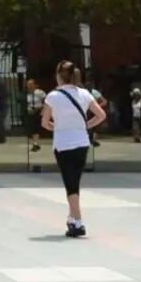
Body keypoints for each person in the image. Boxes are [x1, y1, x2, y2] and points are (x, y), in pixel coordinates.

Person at [41, 60, 106, 238]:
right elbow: (101, 115)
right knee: (74, 181)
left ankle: (78, 220)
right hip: (82, 142)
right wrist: (85, 125)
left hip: (63, 144)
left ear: (59, 76)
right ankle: (72, 217)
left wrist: (59, 127)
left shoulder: (53, 96)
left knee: (70, 183)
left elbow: (45, 123)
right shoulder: (84, 94)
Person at [24, 78, 47, 155]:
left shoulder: (40, 92)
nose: (29, 86)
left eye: (31, 84)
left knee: (36, 129)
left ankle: (35, 144)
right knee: (31, 129)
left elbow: (46, 102)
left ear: (35, 85)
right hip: (30, 113)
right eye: (28, 84)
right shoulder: (26, 94)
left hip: (37, 112)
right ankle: (35, 143)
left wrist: (41, 107)